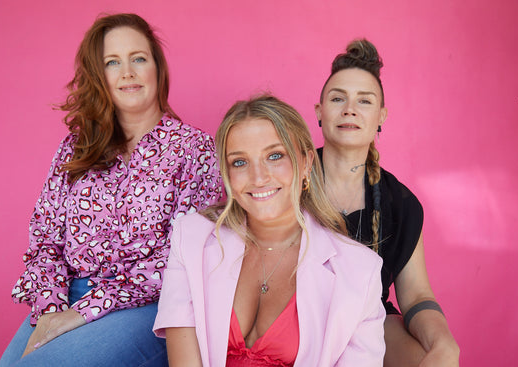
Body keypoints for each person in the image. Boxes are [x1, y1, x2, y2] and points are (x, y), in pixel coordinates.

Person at [0, 13, 222, 367]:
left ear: (157, 69)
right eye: (112, 62)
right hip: (66, 296)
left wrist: (84, 312)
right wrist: (51, 311)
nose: (127, 72)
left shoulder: (193, 149)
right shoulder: (76, 147)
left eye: (139, 58)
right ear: (99, 76)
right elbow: (45, 239)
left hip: (148, 309)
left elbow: (182, 258)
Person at [153, 95, 386, 366]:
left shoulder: (359, 272)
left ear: (307, 162)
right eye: (239, 162)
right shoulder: (191, 238)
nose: (258, 177)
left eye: (275, 156)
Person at [315, 39, 460, 366]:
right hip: (294, 323)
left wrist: (444, 344)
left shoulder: (402, 204)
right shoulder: (287, 180)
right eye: (338, 98)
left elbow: (416, 296)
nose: (349, 108)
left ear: (381, 116)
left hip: (369, 326)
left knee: (429, 358)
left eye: (364, 101)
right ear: (319, 112)